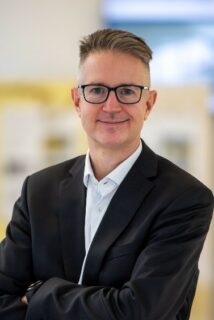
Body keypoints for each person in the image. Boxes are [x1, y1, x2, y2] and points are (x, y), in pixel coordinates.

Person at [0, 28, 213, 320]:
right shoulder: (38, 190)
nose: (111, 106)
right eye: (97, 90)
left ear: (148, 103)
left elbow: (138, 313)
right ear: (77, 101)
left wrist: (38, 294)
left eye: (127, 91)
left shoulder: (185, 198)